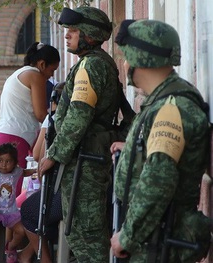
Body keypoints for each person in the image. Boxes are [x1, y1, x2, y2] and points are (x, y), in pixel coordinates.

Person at [111, 19, 211, 262]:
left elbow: (159, 179)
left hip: (158, 243)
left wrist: (128, 236)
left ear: (140, 58)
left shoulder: (171, 108)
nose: (124, 64)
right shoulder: (164, 101)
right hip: (154, 237)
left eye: (126, 56)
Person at [38, 6, 121, 262]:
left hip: (84, 163)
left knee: (87, 236)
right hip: (83, 161)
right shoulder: (92, 63)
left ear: (90, 34)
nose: (67, 35)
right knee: (79, 235)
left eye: (73, 30)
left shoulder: (92, 65)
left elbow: (78, 117)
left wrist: (53, 155)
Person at [0, 42, 60, 173]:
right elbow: (40, 115)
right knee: (13, 187)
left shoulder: (20, 73)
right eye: (52, 70)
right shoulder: (35, 75)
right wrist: (57, 122)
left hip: (0, 134)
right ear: (42, 64)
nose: (51, 76)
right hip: (14, 137)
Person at [18, 82, 65, 263]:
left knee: (29, 210)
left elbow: (38, 155)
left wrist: (49, 122)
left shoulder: (56, 118)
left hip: (67, 192)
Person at [0, 143, 35, 263]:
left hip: (10, 212)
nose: (3, 164)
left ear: (14, 163)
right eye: (0, 160)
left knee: (21, 231)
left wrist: (36, 170)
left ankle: (11, 248)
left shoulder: (16, 172)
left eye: (8, 161)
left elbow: (25, 172)